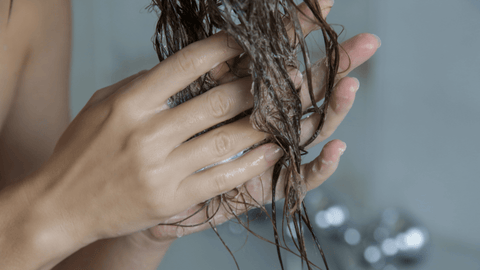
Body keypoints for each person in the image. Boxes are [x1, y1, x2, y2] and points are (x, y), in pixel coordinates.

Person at [0, 0, 380, 269]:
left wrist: (145, 227)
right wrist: (61, 209)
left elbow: (36, 257)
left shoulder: (31, 9)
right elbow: (34, 228)